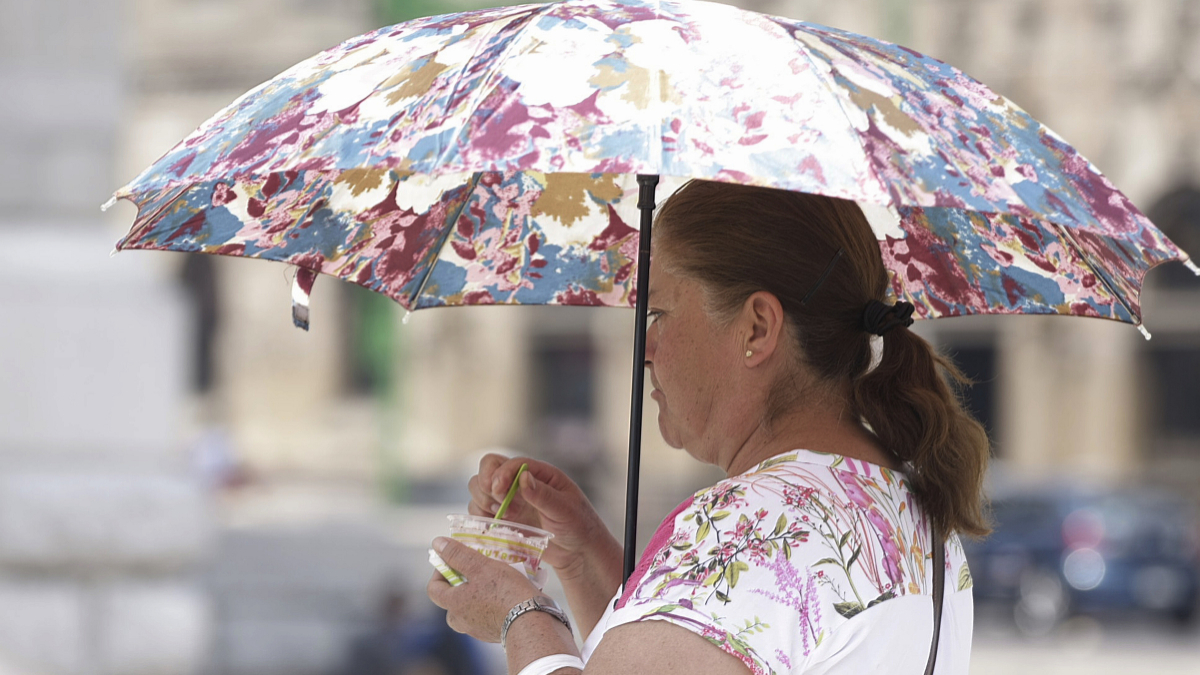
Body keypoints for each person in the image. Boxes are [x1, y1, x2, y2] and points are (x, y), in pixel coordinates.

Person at [427, 180, 990, 675]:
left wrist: (522, 617)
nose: (645, 349)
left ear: (757, 327)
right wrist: (582, 554)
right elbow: (686, 654)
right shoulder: (906, 504)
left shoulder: (752, 523)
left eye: (661, 313)